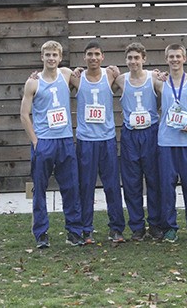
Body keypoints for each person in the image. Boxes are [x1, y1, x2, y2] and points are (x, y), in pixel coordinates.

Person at [19, 41, 84, 248]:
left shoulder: (66, 74)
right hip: (44, 142)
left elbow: (92, 80)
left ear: (60, 56)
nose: (51, 58)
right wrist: (35, 141)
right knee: (40, 189)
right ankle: (41, 233)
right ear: (42, 57)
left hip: (64, 140)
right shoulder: (33, 82)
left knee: (71, 188)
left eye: (55, 55)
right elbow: (23, 114)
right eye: (47, 55)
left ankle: (74, 231)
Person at [70, 40, 126, 244]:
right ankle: (87, 229)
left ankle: (117, 229)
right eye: (89, 54)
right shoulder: (76, 78)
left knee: (112, 185)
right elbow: (53, 81)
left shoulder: (111, 75)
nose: (93, 58)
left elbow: (136, 80)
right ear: (84, 57)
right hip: (86, 140)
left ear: (102, 57)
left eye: (97, 54)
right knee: (86, 186)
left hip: (107, 140)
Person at [113, 42, 163, 241]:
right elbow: (95, 83)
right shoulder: (120, 79)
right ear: (126, 60)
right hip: (130, 135)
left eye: (137, 58)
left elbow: (174, 90)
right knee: (132, 183)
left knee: (154, 180)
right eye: (130, 58)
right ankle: (137, 226)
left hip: (151, 133)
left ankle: (156, 224)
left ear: (144, 59)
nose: (133, 61)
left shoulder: (153, 77)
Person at [155, 43, 187, 243]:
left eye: (178, 56)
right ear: (166, 59)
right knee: (167, 187)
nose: (175, 60)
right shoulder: (160, 83)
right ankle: (169, 228)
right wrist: (156, 73)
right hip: (166, 141)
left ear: (185, 58)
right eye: (171, 57)